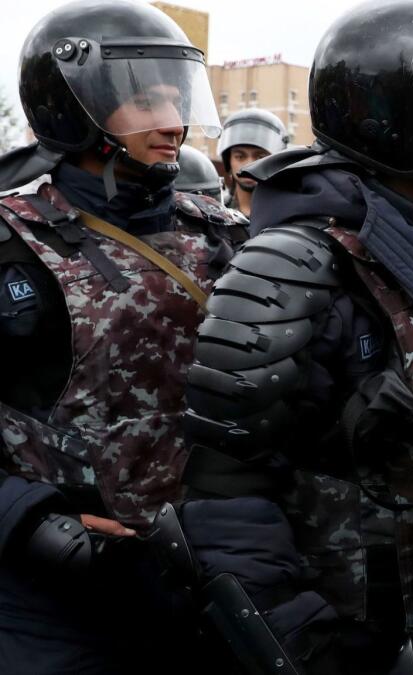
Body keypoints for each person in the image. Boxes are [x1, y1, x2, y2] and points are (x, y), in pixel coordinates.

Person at [175, 1, 413, 672]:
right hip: (353, 638)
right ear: (400, 121)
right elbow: (225, 500)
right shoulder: (290, 266)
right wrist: (306, 645)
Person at [0, 2, 246, 673]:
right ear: (71, 106)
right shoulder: (13, 245)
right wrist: (28, 519)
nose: (172, 120)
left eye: (176, 93)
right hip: (55, 609)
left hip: (208, 588)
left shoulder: (222, 235)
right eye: (143, 98)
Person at [217, 108, 288, 217]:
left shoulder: (289, 214)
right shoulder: (216, 214)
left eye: (260, 157)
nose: (249, 165)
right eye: (240, 156)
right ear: (228, 160)